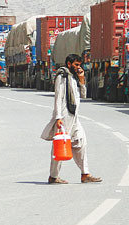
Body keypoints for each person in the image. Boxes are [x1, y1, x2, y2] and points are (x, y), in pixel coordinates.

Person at [40, 54, 102, 184]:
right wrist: (58, 118)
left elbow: (83, 95)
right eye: (76, 65)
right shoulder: (62, 77)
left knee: (81, 142)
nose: (79, 67)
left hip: (74, 117)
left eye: (80, 65)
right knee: (60, 145)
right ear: (69, 64)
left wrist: (82, 79)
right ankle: (53, 176)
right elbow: (58, 97)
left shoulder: (74, 77)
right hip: (64, 116)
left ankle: (85, 174)